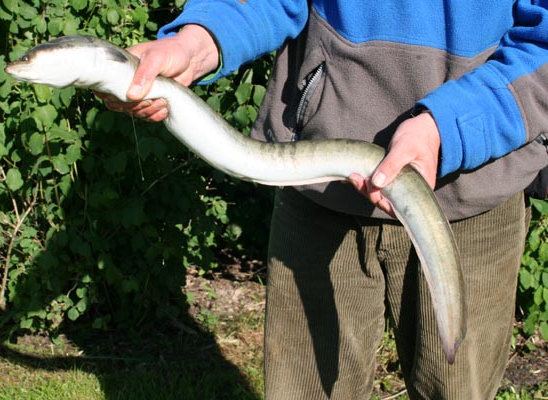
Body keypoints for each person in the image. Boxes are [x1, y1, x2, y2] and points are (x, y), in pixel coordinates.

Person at [99, 1, 548, 399]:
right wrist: (195, 42)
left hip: (474, 194)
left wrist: (447, 129)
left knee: (457, 389)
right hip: (318, 187)